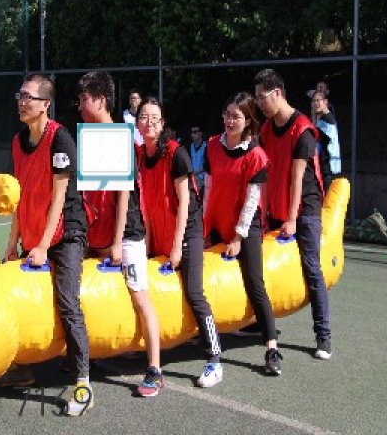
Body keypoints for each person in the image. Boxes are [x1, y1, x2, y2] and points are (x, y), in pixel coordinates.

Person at [1, 73, 92, 416]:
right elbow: (18, 197)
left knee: (68, 301)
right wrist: (12, 244)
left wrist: (41, 247)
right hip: (37, 232)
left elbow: (59, 199)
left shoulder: (60, 139)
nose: (22, 102)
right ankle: (21, 368)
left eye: (29, 97)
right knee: (16, 295)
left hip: (66, 232)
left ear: (45, 105)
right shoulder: (17, 141)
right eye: (20, 96)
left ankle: (83, 384)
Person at [77, 72, 163, 397]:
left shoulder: (119, 137)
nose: (80, 105)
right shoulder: (89, 136)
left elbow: (123, 193)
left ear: (101, 100)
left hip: (126, 235)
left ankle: (154, 369)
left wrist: (116, 242)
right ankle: (91, 353)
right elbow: (89, 194)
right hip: (97, 235)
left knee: (140, 297)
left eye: (84, 99)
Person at [136, 97, 223, 388]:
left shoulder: (176, 153)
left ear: (162, 124)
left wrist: (177, 246)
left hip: (188, 231)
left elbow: (185, 202)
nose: (149, 122)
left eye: (155, 117)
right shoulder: (139, 156)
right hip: (160, 230)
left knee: (194, 292)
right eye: (144, 117)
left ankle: (214, 359)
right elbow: (147, 205)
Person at [254, 68, 332, 360]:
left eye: (262, 97)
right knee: (263, 266)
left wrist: (290, 219)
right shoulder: (265, 130)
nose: (259, 104)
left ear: (277, 93)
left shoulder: (302, 130)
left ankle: (323, 335)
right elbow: (263, 174)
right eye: (257, 98)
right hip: (277, 205)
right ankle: (257, 323)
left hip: (305, 209)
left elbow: (297, 179)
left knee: (312, 268)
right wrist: (264, 214)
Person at [203, 92, 282, 375]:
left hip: (246, 226)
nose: (229, 121)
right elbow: (208, 188)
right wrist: (204, 226)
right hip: (217, 221)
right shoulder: (212, 145)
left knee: (255, 283)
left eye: (236, 116)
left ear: (248, 120)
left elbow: (251, 202)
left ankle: (271, 348)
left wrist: (237, 237)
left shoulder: (256, 155)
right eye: (227, 115)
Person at [310, 90, 341, 190]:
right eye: (314, 101)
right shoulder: (322, 118)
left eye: (318, 100)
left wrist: (313, 116)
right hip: (323, 165)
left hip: (328, 166)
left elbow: (314, 135)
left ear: (325, 102)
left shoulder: (328, 119)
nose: (316, 103)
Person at [189, 126, 207, 200]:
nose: (192, 135)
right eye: (192, 132)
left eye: (195, 132)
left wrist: (196, 172)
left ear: (200, 134)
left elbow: (208, 166)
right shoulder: (191, 146)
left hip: (203, 178)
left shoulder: (207, 146)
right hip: (192, 177)